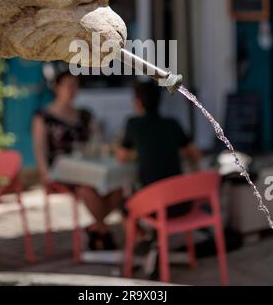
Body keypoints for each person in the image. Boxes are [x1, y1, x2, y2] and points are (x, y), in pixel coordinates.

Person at [32, 71, 122, 250]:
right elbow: (40, 148)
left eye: (75, 85)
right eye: (68, 85)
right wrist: (44, 173)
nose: (72, 90)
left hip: (89, 168)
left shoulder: (85, 115)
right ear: (57, 88)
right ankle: (103, 231)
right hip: (62, 171)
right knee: (87, 190)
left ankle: (97, 228)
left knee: (116, 189)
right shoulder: (43, 117)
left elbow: (101, 141)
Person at [116, 80, 201, 217]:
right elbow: (195, 155)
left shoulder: (134, 124)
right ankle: (149, 234)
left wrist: (140, 152)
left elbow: (122, 156)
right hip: (181, 204)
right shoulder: (172, 124)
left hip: (154, 206)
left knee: (122, 202)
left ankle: (140, 235)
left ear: (138, 102)